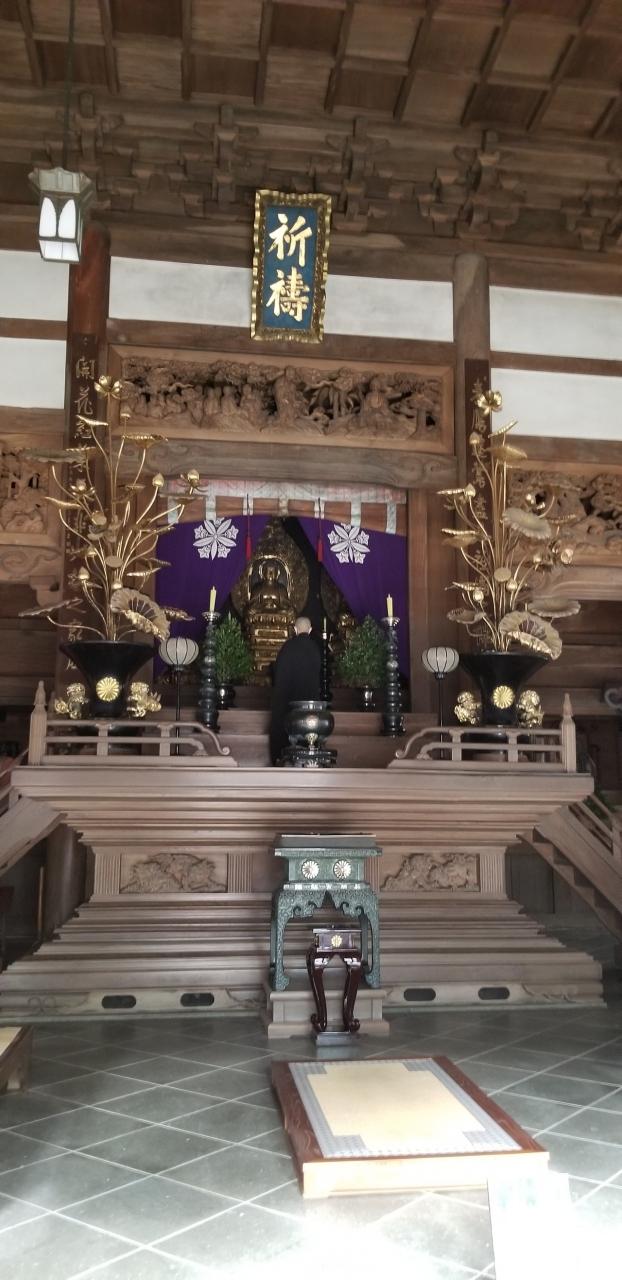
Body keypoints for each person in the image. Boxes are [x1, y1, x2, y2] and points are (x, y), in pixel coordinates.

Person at [269, 616, 321, 765]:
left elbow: (278, 674)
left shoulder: (287, 648)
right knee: (309, 730)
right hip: (309, 704)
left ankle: (280, 759)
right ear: (310, 630)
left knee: (283, 728)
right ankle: (309, 759)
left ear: (295, 629)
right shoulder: (315, 649)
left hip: (287, 703)